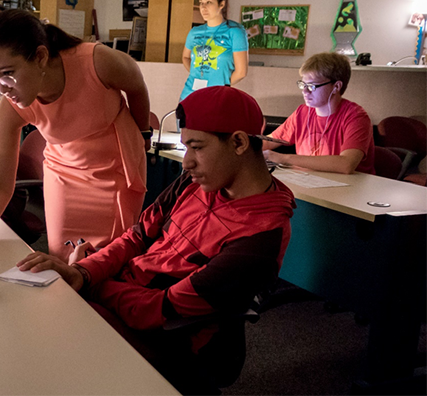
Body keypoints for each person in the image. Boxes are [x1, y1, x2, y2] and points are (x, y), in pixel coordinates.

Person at [16, 86, 295, 392]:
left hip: (172, 337)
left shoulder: (261, 237)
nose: (186, 162)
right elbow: (136, 238)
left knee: (55, 340)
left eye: (197, 147)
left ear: (239, 142)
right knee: (42, 317)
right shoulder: (194, 184)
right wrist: (84, 271)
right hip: (127, 297)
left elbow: (164, 307)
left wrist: (91, 284)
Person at [0, 9, 152, 262]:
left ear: (40, 56)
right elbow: (0, 183)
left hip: (115, 167)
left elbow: (136, 87)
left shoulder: (96, 61)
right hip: (64, 172)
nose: (3, 88)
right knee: (62, 255)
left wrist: (143, 131)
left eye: (8, 73)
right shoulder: (12, 106)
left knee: (108, 258)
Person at [263, 52, 375, 174]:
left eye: (312, 86)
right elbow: (269, 142)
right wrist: (244, 142)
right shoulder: (302, 113)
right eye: (303, 85)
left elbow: (346, 164)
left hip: (351, 188)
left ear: (336, 87)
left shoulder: (355, 117)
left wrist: (284, 158)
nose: (305, 91)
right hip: (311, 183)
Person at [180, 0, 249, 100]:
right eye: (201, 2)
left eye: (208, 2)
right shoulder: (194, 32)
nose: (203, 7)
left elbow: (241, 72)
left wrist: (220, 84)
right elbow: (185, 58)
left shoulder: (234, 31)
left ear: (221, 4)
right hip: (189, 94)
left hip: (216, 95)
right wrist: (196, 73)